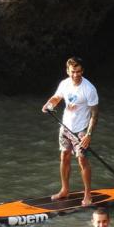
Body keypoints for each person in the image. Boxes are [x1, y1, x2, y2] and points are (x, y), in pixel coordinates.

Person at [42, 57, 99, 207]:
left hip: (81, 131)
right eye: (73, 71)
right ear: (68, 71)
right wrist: (49, 104)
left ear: (82, 71)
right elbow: (57, 98)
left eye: (79, 71)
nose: (76, 74)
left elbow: (95, 114)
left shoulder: (89, 89)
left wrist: (88, 135)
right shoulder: (64, 84)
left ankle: (88, 194)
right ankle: (64, 190)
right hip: (65, 128)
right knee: (64, 157)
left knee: (82, 161)